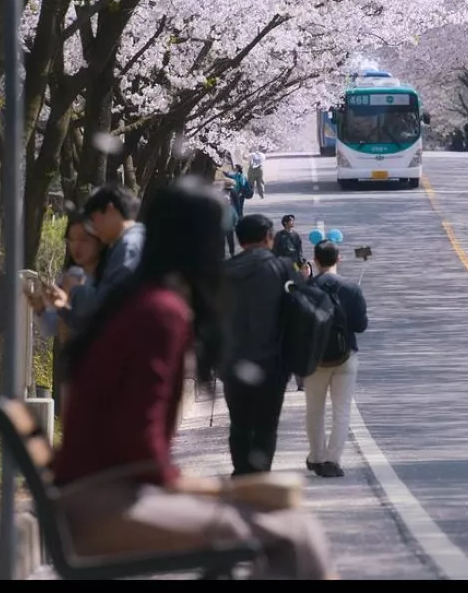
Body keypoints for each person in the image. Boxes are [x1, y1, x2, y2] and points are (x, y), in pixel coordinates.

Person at [53, 176, 335, 579]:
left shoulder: (136, 298)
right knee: (292, 533)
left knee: (280, 522)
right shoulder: (161, 314)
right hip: (107, 504)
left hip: (92, 495)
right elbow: (139, 443)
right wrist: (217, 490)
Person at [223, 214, 303, 476]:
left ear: (239, 239)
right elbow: (300, 313)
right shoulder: (282, 269)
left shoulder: (223, 271)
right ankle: (259, 477)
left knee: (239, 423)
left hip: (233, 363)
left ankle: (241, 472)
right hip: (273, 363)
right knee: (267, 425)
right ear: (269, 237)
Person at [25, 211, 109, 416]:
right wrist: (40, 308)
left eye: (84, 239)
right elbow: (51, 327)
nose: (77, 246)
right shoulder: (70, 277)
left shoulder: (110, 277)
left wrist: (66, 306)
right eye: (71, 239)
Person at [306, 241, 368, 478]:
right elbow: (361, 326)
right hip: (346, 355)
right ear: (339, 259)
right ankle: (333, 460)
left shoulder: (307, 287)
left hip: (316, 359)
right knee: (342, 409)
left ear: (315, 259)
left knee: (314, 410)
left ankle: (317, 457)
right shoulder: (351, 288)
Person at [56, 183, 145, 331]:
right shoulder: (132, 242)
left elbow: (108, 305)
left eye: (94, 219)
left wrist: (74, 289)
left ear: (110, 210)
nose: (94, 229)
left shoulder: (128, 247)